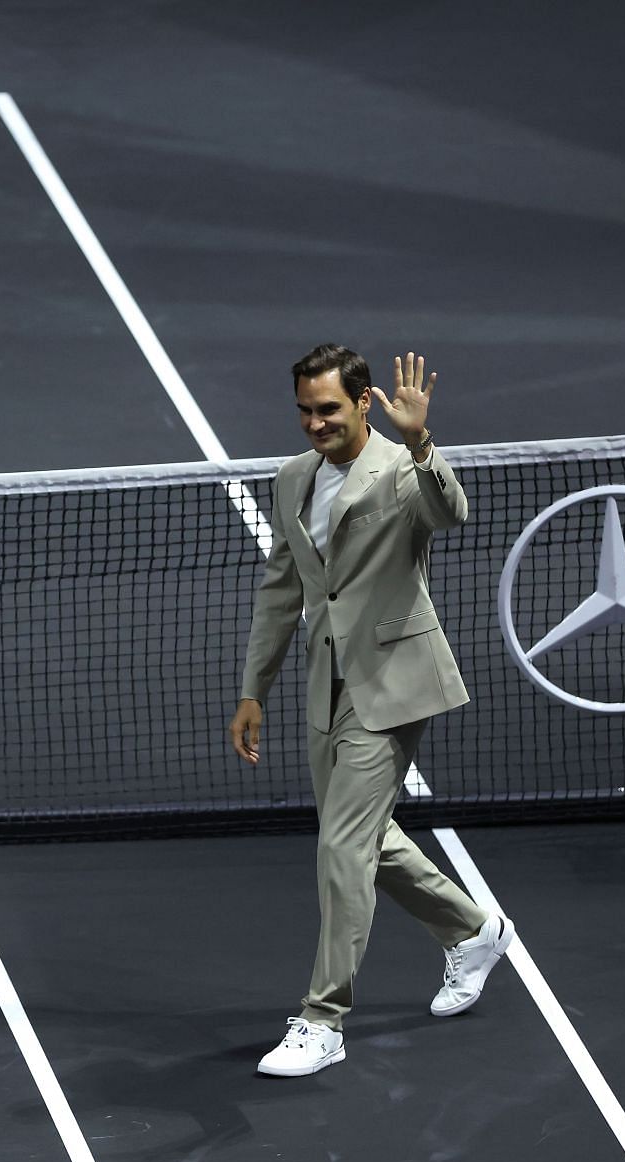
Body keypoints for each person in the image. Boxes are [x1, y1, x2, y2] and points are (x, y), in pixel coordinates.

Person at [230, 344, 513, 1078]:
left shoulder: (399, 471)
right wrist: (253, 688)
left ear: (362, 402)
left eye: (327, 408)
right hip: (329, 682)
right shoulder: (292, 479)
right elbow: (282, 591)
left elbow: (450, 512)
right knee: (359, 835)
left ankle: (323, 1019)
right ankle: (472, 929)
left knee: (341, 849)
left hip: (395, 680)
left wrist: (421, 441)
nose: (313, 422)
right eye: (303, 409)